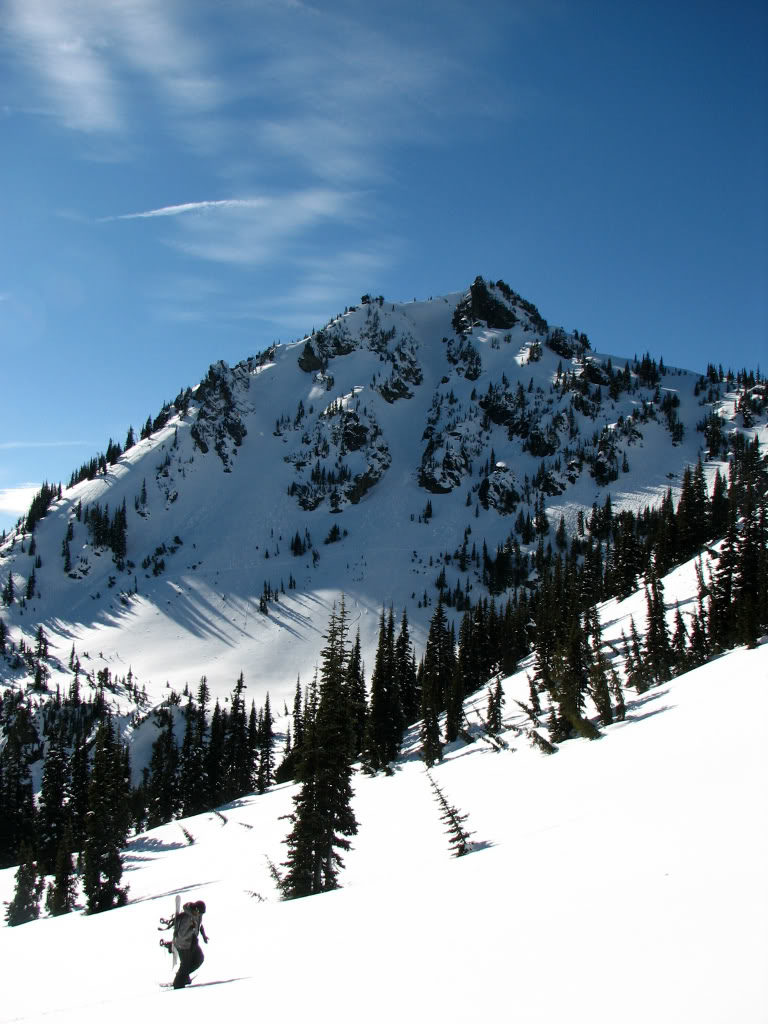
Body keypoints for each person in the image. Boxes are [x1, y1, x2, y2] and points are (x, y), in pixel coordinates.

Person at [172, 899, 209, 989]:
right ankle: (178, 983)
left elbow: (199, 925)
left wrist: (203, 935)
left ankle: (183, 976)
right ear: (195, 909)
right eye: (200, 913)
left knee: (199, 959)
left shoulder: (197, 914)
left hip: (192, 942)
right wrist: (191, 930)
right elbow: (182, 935)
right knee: (185, 964)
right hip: (183, 944)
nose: (200, 915)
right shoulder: (186, 918)